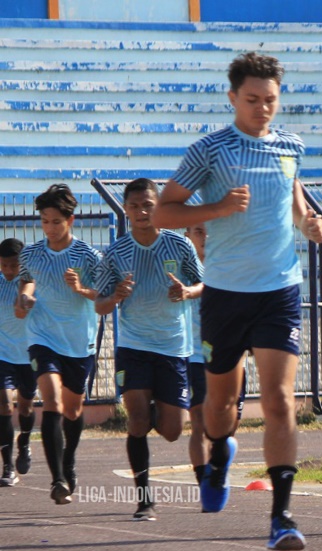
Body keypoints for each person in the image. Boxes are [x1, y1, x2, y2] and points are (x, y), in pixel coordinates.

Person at [152, 51, 322, 551]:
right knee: (220, 410)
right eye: (252, 100)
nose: (262, 108)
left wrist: (311, 223)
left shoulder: (292, 145)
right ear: (232, 97)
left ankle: (283, 518)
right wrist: (220, 207)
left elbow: (295, 200)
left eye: (270, 100)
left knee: (278, 401)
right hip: (226, 294)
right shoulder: (209, 150)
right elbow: (163, 212)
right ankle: (221, 452)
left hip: (279, 291)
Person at [94, 178, 204, 521]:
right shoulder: (115, 254)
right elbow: (98, 304)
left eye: (148, 205)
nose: (142, 211)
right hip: (133, 346)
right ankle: (144, 501)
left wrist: (186, 292)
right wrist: (115, 298)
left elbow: (204, 284)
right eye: (135, 205)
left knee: (172, 431)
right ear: (126, 210)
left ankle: (156, 404)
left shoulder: (179, 246)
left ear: (158, 207)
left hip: (173, 347)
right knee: (137, 422)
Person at [16, 183, 103, 505]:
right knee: (51, 401)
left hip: (79, 342)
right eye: (44, 221)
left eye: (56, 221)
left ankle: (68, 462)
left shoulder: (89, 256)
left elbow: (104, 296)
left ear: (71, 220)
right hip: (42, 337)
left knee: (73, 409)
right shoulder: (32, 253)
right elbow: (27, 277)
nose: (49, 228)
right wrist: (25, 294)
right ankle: (58, 480)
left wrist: (82, 289)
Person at [184, 223, 247, 489]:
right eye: (199, 230)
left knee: (228, 425)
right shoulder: (180, 269)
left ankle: (219, 467)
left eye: (210, 230)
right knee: (199, 420)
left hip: (231, 357)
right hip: (196, 356)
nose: (206, 236)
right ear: (187, 236)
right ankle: (204, 483)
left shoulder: (233, 266)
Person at [0, 238, 35, 487]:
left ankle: (24, 442)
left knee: (25, 407)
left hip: (29, 355)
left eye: (14, 265)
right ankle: (8, 467)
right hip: (3, 355)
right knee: (4, 404)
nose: (9, 270)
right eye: (4, 265)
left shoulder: (32, 284)